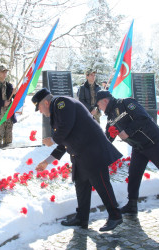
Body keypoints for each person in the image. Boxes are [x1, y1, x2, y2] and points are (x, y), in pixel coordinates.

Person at [96, 90, 159, 219]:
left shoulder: (126, 103)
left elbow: (142, 117)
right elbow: (108, 137)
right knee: (134, 175)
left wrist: (128, 131)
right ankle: (132, 205)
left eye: (99, 104)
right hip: (139, 147)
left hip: (153, 142)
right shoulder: (111, 117)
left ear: (105, 100)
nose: (99, 108)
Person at [33, 88, 123, 231]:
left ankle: (115, 216)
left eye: (39, 107)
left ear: (45, 102)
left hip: (93, 150)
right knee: (81, 185)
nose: (40, 112)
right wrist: (47, 161)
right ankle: (82, 218)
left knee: (101, 184)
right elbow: (64, 140)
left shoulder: (62, 103)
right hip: (81, 153)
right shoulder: (57, 112)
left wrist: (52, 139)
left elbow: (65, 128)